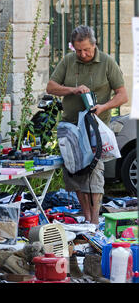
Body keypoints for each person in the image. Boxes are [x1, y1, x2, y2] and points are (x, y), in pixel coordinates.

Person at [46, 25, 128, 224]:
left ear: (94, 44)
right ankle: (87, 219)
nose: (82, 54)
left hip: (95, 128)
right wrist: (72, 90)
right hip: (70, 128)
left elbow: (123, 95)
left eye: (86, 50)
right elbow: (51, 87)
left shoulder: (107, 62)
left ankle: (94, 221)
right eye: (78, 50)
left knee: (94, 172)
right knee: (75, 172)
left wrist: (103, 107)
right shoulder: (68, 61)